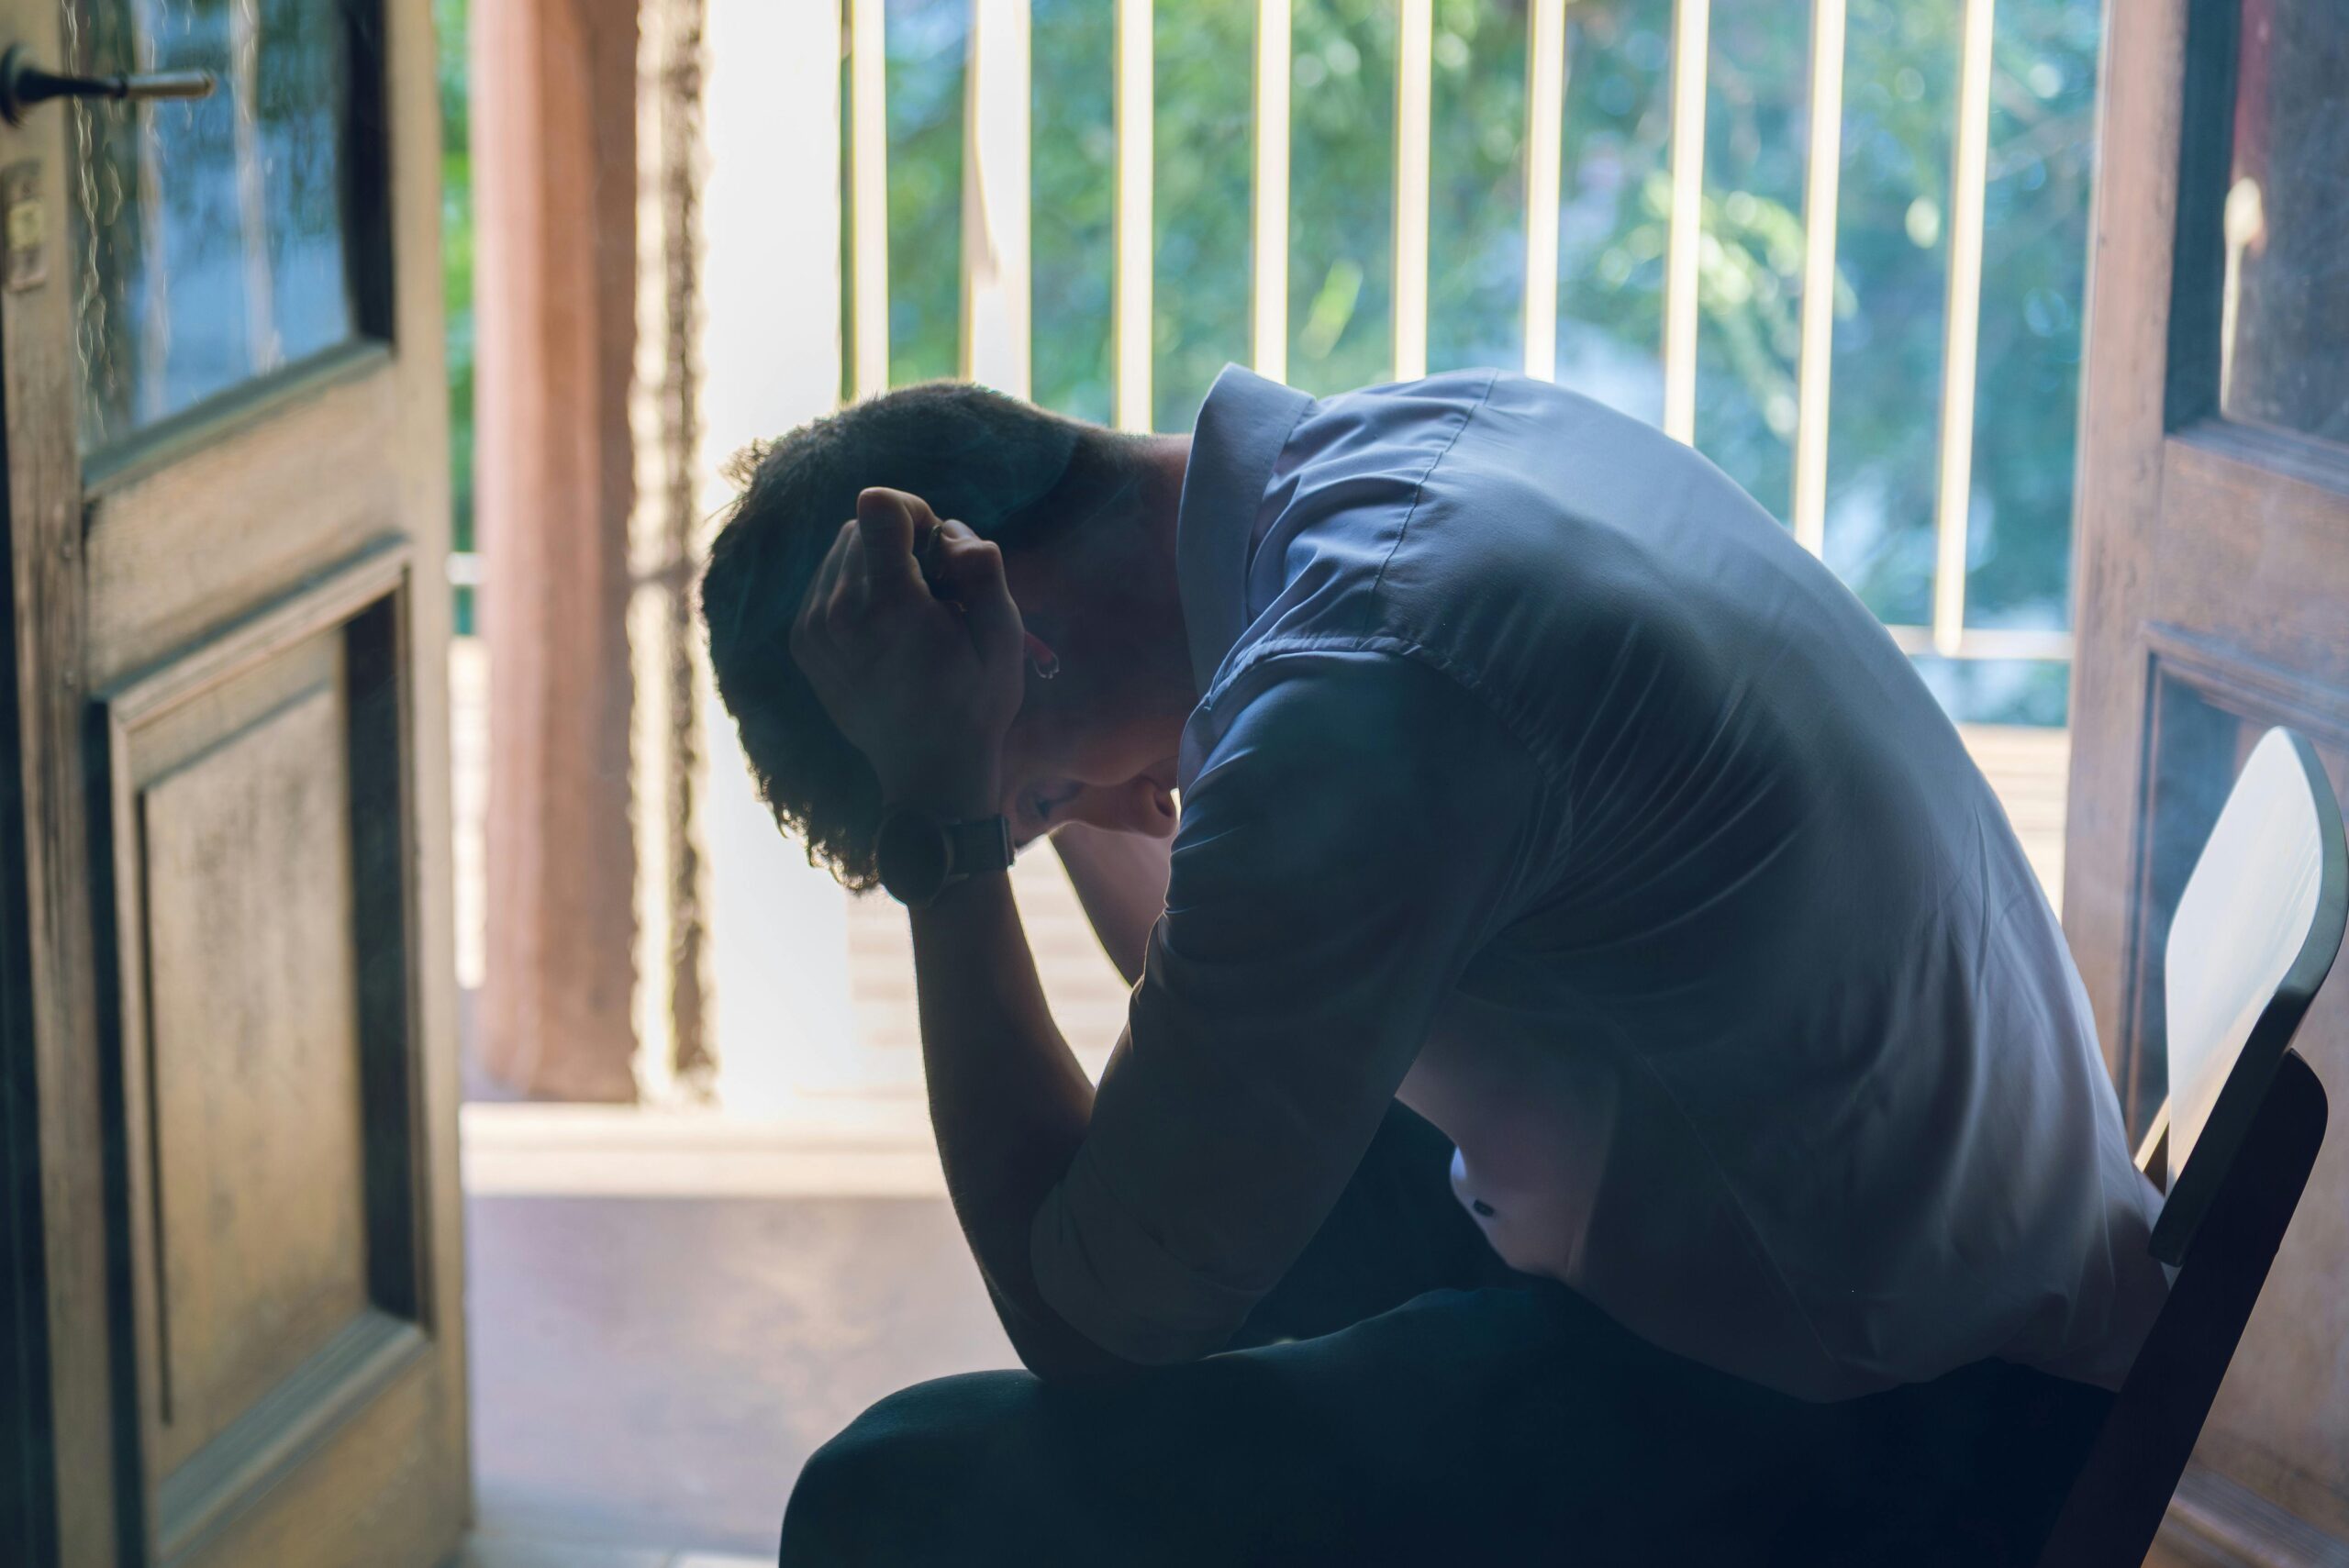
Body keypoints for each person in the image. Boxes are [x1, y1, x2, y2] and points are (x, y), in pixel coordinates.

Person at [698, 366, 2168, 1565]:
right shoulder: (1400, 464)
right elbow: (1231, 1054)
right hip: (1896, 1256)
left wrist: (945, 833)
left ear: (1022, 629)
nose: (1075, 821)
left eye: (1028, 804)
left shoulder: (1356, 692)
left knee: (892, 1500)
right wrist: (1040, 765)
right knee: (1231, 1206)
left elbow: (1083, 1319)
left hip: (1884, 1431)